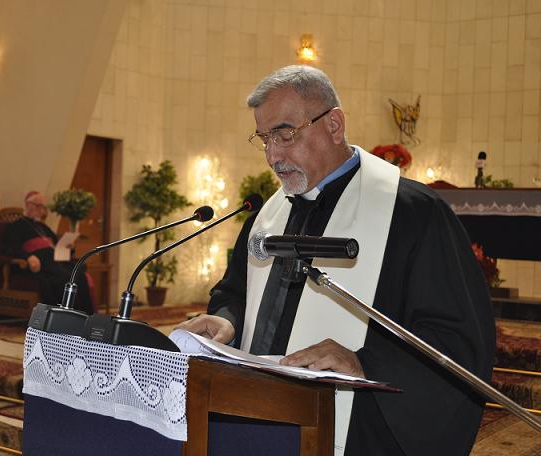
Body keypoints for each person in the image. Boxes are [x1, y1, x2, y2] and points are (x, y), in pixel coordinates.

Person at [177, 65, 495, 455]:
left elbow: (456, 343)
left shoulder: (414, 214)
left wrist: (364, 363)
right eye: (264, 139)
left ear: (334, 125)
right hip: (254, 419)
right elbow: (236, 293)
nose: (273, 155)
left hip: (357, 430)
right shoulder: (267, 217)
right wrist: (228, 320)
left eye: (285, 134)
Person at [5, 191, 93, 314]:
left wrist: (68, 247)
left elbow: (57, 246)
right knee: (66, 278)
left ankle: (86, 316)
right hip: (40, 263)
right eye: (38, 206)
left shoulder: (44, 227)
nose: (41, 211)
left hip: (56, 261)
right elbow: (12, 248)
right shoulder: (15, 226)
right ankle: (68, 317)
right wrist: (28, 257)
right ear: (28, 205)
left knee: (79, 274)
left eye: (43, 207)